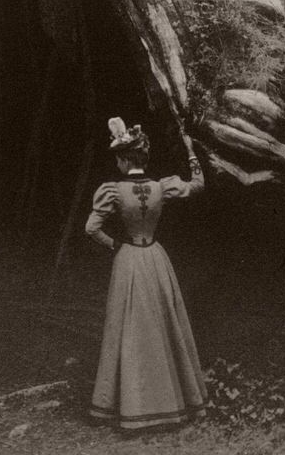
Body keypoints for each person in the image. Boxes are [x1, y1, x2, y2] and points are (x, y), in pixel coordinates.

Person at [85, 116, 207, 430]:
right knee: (163, 324)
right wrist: (192, 155)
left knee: (128, 327)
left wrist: (114, 245)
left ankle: (131, 405)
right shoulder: (161, 186)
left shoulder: (112, 190)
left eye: (119, 158)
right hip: (155, 256)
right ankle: (174, 404)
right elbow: (197, 186)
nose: (118, 163)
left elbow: (91, 228)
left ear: (126, 160)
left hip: (128, 259)